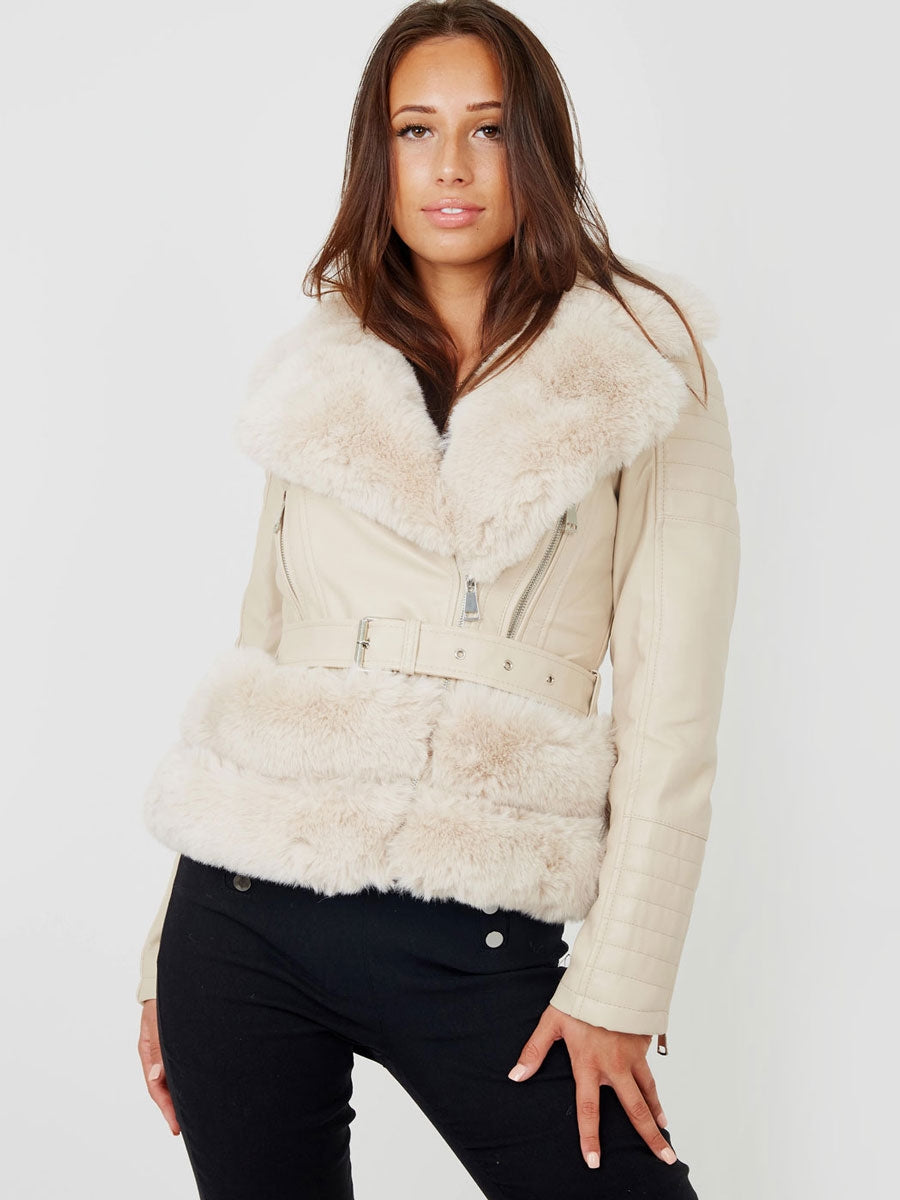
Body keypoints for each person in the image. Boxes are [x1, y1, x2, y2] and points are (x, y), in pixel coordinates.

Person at [135, 1, 740, 1196]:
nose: (450, 166)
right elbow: (257, 660)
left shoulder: (644, 362)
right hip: (241, 923)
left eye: (489, 129)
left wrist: (620, 984)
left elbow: (674, 711)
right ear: (380, 156)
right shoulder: (317, 369)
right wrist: (164, 952)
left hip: (477, 928)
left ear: (539, 149)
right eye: (416, 130)